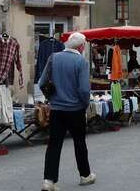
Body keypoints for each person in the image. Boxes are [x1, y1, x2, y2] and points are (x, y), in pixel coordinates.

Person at [38, 32, 96, 191]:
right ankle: (85, 175)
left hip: (56, 109)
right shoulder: (81, 62)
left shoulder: (53, 58)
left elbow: (42, 82)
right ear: (82, 46)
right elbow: (84, 90)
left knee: (54, 145)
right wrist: (85, 105)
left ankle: (49, 181)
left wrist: (50, 98)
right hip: (76, 109)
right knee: (79, 143)